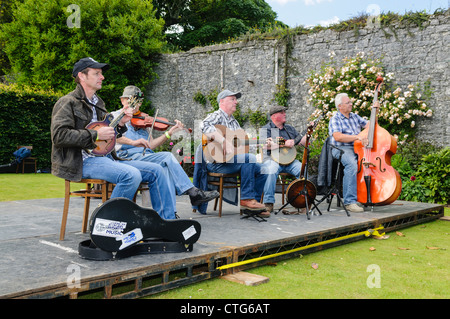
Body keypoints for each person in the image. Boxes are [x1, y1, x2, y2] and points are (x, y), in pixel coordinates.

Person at [51, 57, 176, 220]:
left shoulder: (99, 104)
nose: (102, 77)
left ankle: (165, 222)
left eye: (101, 74)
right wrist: (95, 135)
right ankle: (107, 224)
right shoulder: (67, 102)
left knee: (157, 170)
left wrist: (120, 124)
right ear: (82, 76)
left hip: (108, 158)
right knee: (131, 175)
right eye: (97, 73)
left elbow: (107, 138)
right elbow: (59, 136)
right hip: (81, 161)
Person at [113, 85, 220, 208]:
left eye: (138, 102)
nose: (135, 105)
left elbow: (151, 145)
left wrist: (169, 133)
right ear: (123, 100)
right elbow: (112, 137)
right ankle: (193, 193)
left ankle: (169, 214)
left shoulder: (144, 120)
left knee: (166, 168)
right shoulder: (115, 116)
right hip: (127, 157)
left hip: (145, 157)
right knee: (167, 157)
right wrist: (132, 141)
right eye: (131, 100)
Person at [200, 89, 269, 217]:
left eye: (236, 99)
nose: (236, 102)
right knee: (248, 159)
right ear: (222, 101)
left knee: (263, 169)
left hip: (231, 161)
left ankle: (254, 206)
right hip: (217, 162)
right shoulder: (217, 115)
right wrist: (223, 141)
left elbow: (242, 144)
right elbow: (204, 125)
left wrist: (262, 144)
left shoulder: (234, 122)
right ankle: (246, 199)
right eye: (232, 99)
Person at [328, 93, 379, 213]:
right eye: (348, 102)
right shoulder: (335, 119)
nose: (351, 104)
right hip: (341, 148)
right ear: (340, 106)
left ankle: (368, 196)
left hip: (357, 147)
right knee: (352, 164)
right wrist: (357, 137)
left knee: (370, 163)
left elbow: (371, 126)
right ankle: (349, 202)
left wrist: (375, 111)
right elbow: (338, 136)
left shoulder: (355, 116)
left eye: (351, 102)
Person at [260, 105, 307, 213]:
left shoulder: (289, 128)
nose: (285, 114)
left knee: (302, 169)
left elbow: (300, 142)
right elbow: (265, 145)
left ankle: (301, 201)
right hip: (272, 160)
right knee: (271, 170)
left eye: (284, 112)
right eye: (282, 112)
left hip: (289, 161)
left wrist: (308, 134)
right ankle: (268, 203)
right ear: (274, 116)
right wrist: (284, 143)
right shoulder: (266, 129)